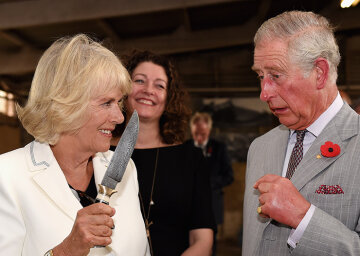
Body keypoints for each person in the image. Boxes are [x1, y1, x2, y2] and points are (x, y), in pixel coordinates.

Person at [0, 34, 150, 255]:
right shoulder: (7, 175)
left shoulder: (124, 167)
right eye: (106, 103)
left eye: (118, 103)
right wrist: (66, 251)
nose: (119, 117)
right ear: (67, 104)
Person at [243, 11, 360, 255]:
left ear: (320, 73)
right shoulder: (260, 147)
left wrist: (303, 217)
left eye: (276, 75)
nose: (264, 93)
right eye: (260, 76)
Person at [110, 50, 215, 256]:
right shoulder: (99, 152)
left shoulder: (190, 159)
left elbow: (203, 239)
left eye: (159, 85)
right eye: (139, 81)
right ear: (123, 89)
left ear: (169, 98)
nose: (149, 90)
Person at [185, 112, 234, 255]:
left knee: (210, 242)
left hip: (212, 203)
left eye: (203, 134)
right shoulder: (185, 147)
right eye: (196, 134)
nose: (199, 138)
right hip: (188, 204)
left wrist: (206, 184)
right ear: (191, 130)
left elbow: (229, 176)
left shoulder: (219, 148)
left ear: (209, 130)